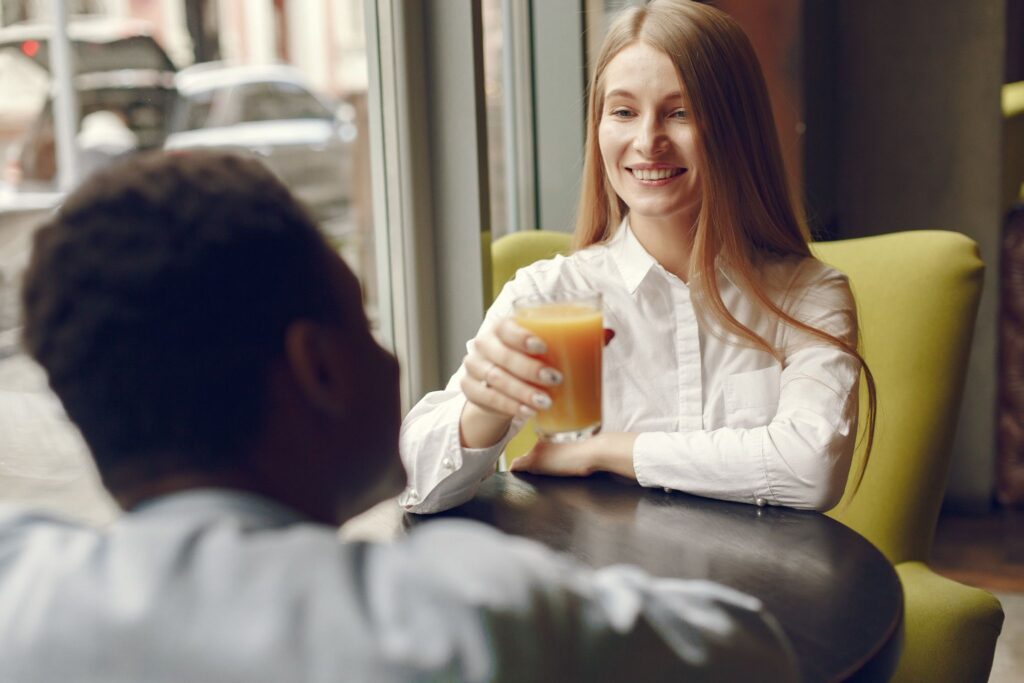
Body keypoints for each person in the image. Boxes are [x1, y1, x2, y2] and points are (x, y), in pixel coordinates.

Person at [0, 151, 798, 682]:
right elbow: (756, 651)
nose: (390, 362)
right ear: (318, 367)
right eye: (369, 327)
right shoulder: (472, 615)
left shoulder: (20, 587)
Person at [400, 0, 875, 515]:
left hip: (756, 587)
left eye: (680, 113)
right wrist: (483, 413)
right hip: (600, 586)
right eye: (623, 112)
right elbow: (415, 485)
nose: (648, 142)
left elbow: (811, 468)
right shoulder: (550, 297)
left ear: (736, 129)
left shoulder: (808, 294)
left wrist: (608, 450)